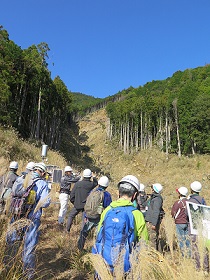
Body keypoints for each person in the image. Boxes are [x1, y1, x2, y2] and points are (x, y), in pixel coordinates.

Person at [92, 175, 148, 277]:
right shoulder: (137, 215)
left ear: (118, 192)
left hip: (104, 262)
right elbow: (144, 242)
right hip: (126, 265)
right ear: (135, 195)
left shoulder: (108, 210)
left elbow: (98, 234)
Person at [9, 162, 51, 279]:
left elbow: (12, 194)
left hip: (17, 214)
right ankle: (27, 274)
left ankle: (8, 266)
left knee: (12, 242)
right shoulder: (42, 183)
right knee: (29, 245)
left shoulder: (21, 178)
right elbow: (46, 202)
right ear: (42, 172)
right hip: (32, 218)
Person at [77, 175, 112, 251]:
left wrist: (86, 215)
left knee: (84, 233)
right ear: (107, 186)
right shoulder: (107, 195)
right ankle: (96, 251)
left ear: (99, 183)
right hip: (99, 218)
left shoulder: (92, 192)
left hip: (89, 216)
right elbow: (108, 208)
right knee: (98, 235)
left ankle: (79, 248)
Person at [66, 168, 98, 234]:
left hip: (77, 204)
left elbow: (72, 195)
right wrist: (94, 177)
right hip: (86, 205)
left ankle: (67, 230)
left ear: (83, 175)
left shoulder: (77, 184)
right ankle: (83, 233)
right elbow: (96, 183)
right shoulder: (91, 184)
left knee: (71, 216)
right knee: (85, 219)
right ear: (90, 176)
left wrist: (74, 202)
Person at [187, 181, 209, 273]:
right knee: (203, 247)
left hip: (194, 228)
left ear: (191, 189)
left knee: (195, 247)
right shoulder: (203, 200)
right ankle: (206, 268)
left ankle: (198, 268)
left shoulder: (190, 201)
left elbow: (187, 214)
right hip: (202, 228)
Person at [145, 183, 164, 252]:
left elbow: (156, 212)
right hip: (152, 220)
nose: (151, 189)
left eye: (152, 188)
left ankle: (154, 255)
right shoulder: (154, 198)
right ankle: (159, 254)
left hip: (153, 222)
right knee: (155, 237)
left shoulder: (157, 199)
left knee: (153, 238)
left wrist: (154, 223)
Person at [171, 186, 190, 256]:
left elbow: (173, 213)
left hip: (179, 223)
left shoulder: (178, 202)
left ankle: (183, 255)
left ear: (180, 194)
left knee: (181, 240)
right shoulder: (189, 202)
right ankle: (189, 254)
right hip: (187, 222)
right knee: (187, 240)